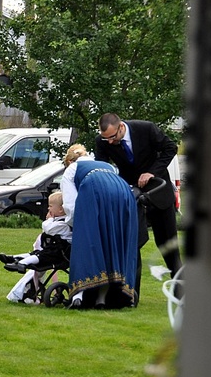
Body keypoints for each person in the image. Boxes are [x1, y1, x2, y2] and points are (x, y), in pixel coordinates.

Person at [94, 113, 182, 304]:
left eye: (112, 137)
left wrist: (152, 172)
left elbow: (170, 148)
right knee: (134, 243)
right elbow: (102, 168)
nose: (110, 142)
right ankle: (131, 294)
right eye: (106, 138)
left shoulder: (145, 129)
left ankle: (180, 288)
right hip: (132, 197)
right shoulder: (102, 142)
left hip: (158, 191)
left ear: (121, 127)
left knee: (167, 243)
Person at [61, 144, 138, 309]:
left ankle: (79, 295)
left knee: (88, 246)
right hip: (123, 192)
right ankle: (102, 299)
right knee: (112, 243)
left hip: (94, 189)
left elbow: (71, 206)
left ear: (69, 161)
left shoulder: (72, 169)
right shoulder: (108, 166)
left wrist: (74, 225)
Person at [0, 191, 72, 274]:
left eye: (50, 206)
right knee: (35, 253)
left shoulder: (63, 224)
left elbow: (47, 228)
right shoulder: (57, 222)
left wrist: (49, 219)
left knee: (39, 255)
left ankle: (22, 264)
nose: (48, 208)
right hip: (52, 251)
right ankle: (14, 258)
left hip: (59, 254)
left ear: (61, 209)